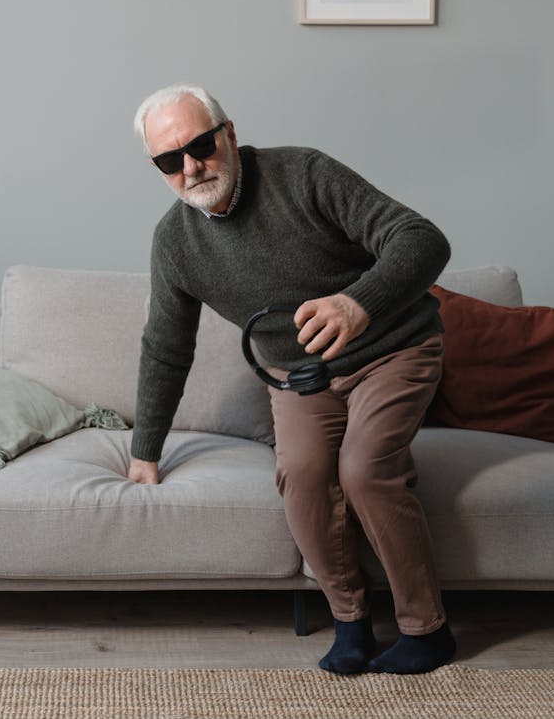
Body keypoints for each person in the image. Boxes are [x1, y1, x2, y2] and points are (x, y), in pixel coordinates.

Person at [127, 82, 456, 676]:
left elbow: (422, 238)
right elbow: (166, 347)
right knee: (302, 476)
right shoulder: (174, 243)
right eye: (169, 160)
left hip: (393, 349)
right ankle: (351, 620)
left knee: (363, 469)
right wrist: (144, 451)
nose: (191, 167)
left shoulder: (302, 173)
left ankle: (426, 630)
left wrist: (359, 303)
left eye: (200, 145)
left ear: (228, 133)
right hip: (300, 375)